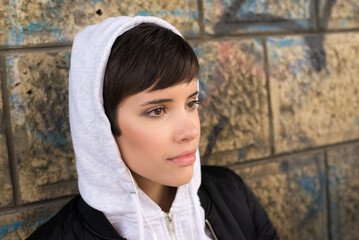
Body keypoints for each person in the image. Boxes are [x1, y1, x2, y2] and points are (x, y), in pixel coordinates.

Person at [27, 16, 279, 240]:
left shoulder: (232, 195)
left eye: (192, 103)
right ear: (102, 126)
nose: (190, 131)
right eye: (157, 110)